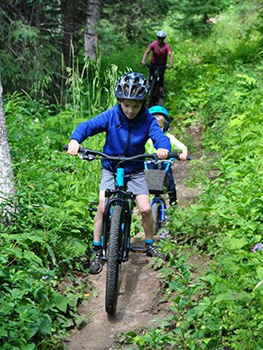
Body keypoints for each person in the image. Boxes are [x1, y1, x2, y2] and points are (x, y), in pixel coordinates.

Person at [67, 72, 171, 274]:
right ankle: (97, 248)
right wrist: (75, 140)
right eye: (126, 105)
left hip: (135, 170)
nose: (130, 110)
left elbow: (159, 136)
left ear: (142, 104)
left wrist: (163, 148)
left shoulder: (148, 120)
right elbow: (88, 126)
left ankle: (149, 242)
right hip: (111, 168)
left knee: (145, 209)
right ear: (120, 102)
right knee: (103, 206)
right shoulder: (112, 115)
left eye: (135, 105)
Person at [145, 105, 188, 206]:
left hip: (164, 165)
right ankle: (132, 204)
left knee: (170, 186)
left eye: (159, 127)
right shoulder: (145, 138)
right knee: (140, 184)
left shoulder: (168, 137)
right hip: (149, 165)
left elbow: (182, 147)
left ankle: (173, 204)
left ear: (165, 126)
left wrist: (183, 154)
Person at [141, 30, 173, 98]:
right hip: (153, 63)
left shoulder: (166, 46)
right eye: (159, 38)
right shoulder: (153, 44)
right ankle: (148, 90)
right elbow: (147, 52)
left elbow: (170, 54)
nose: (160, 40)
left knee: (161, 77)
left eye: (161, 38)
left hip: (162, 64)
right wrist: (143, 60)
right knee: (151, 77)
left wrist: (171, 63)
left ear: (164, 39)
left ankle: (161, 90)